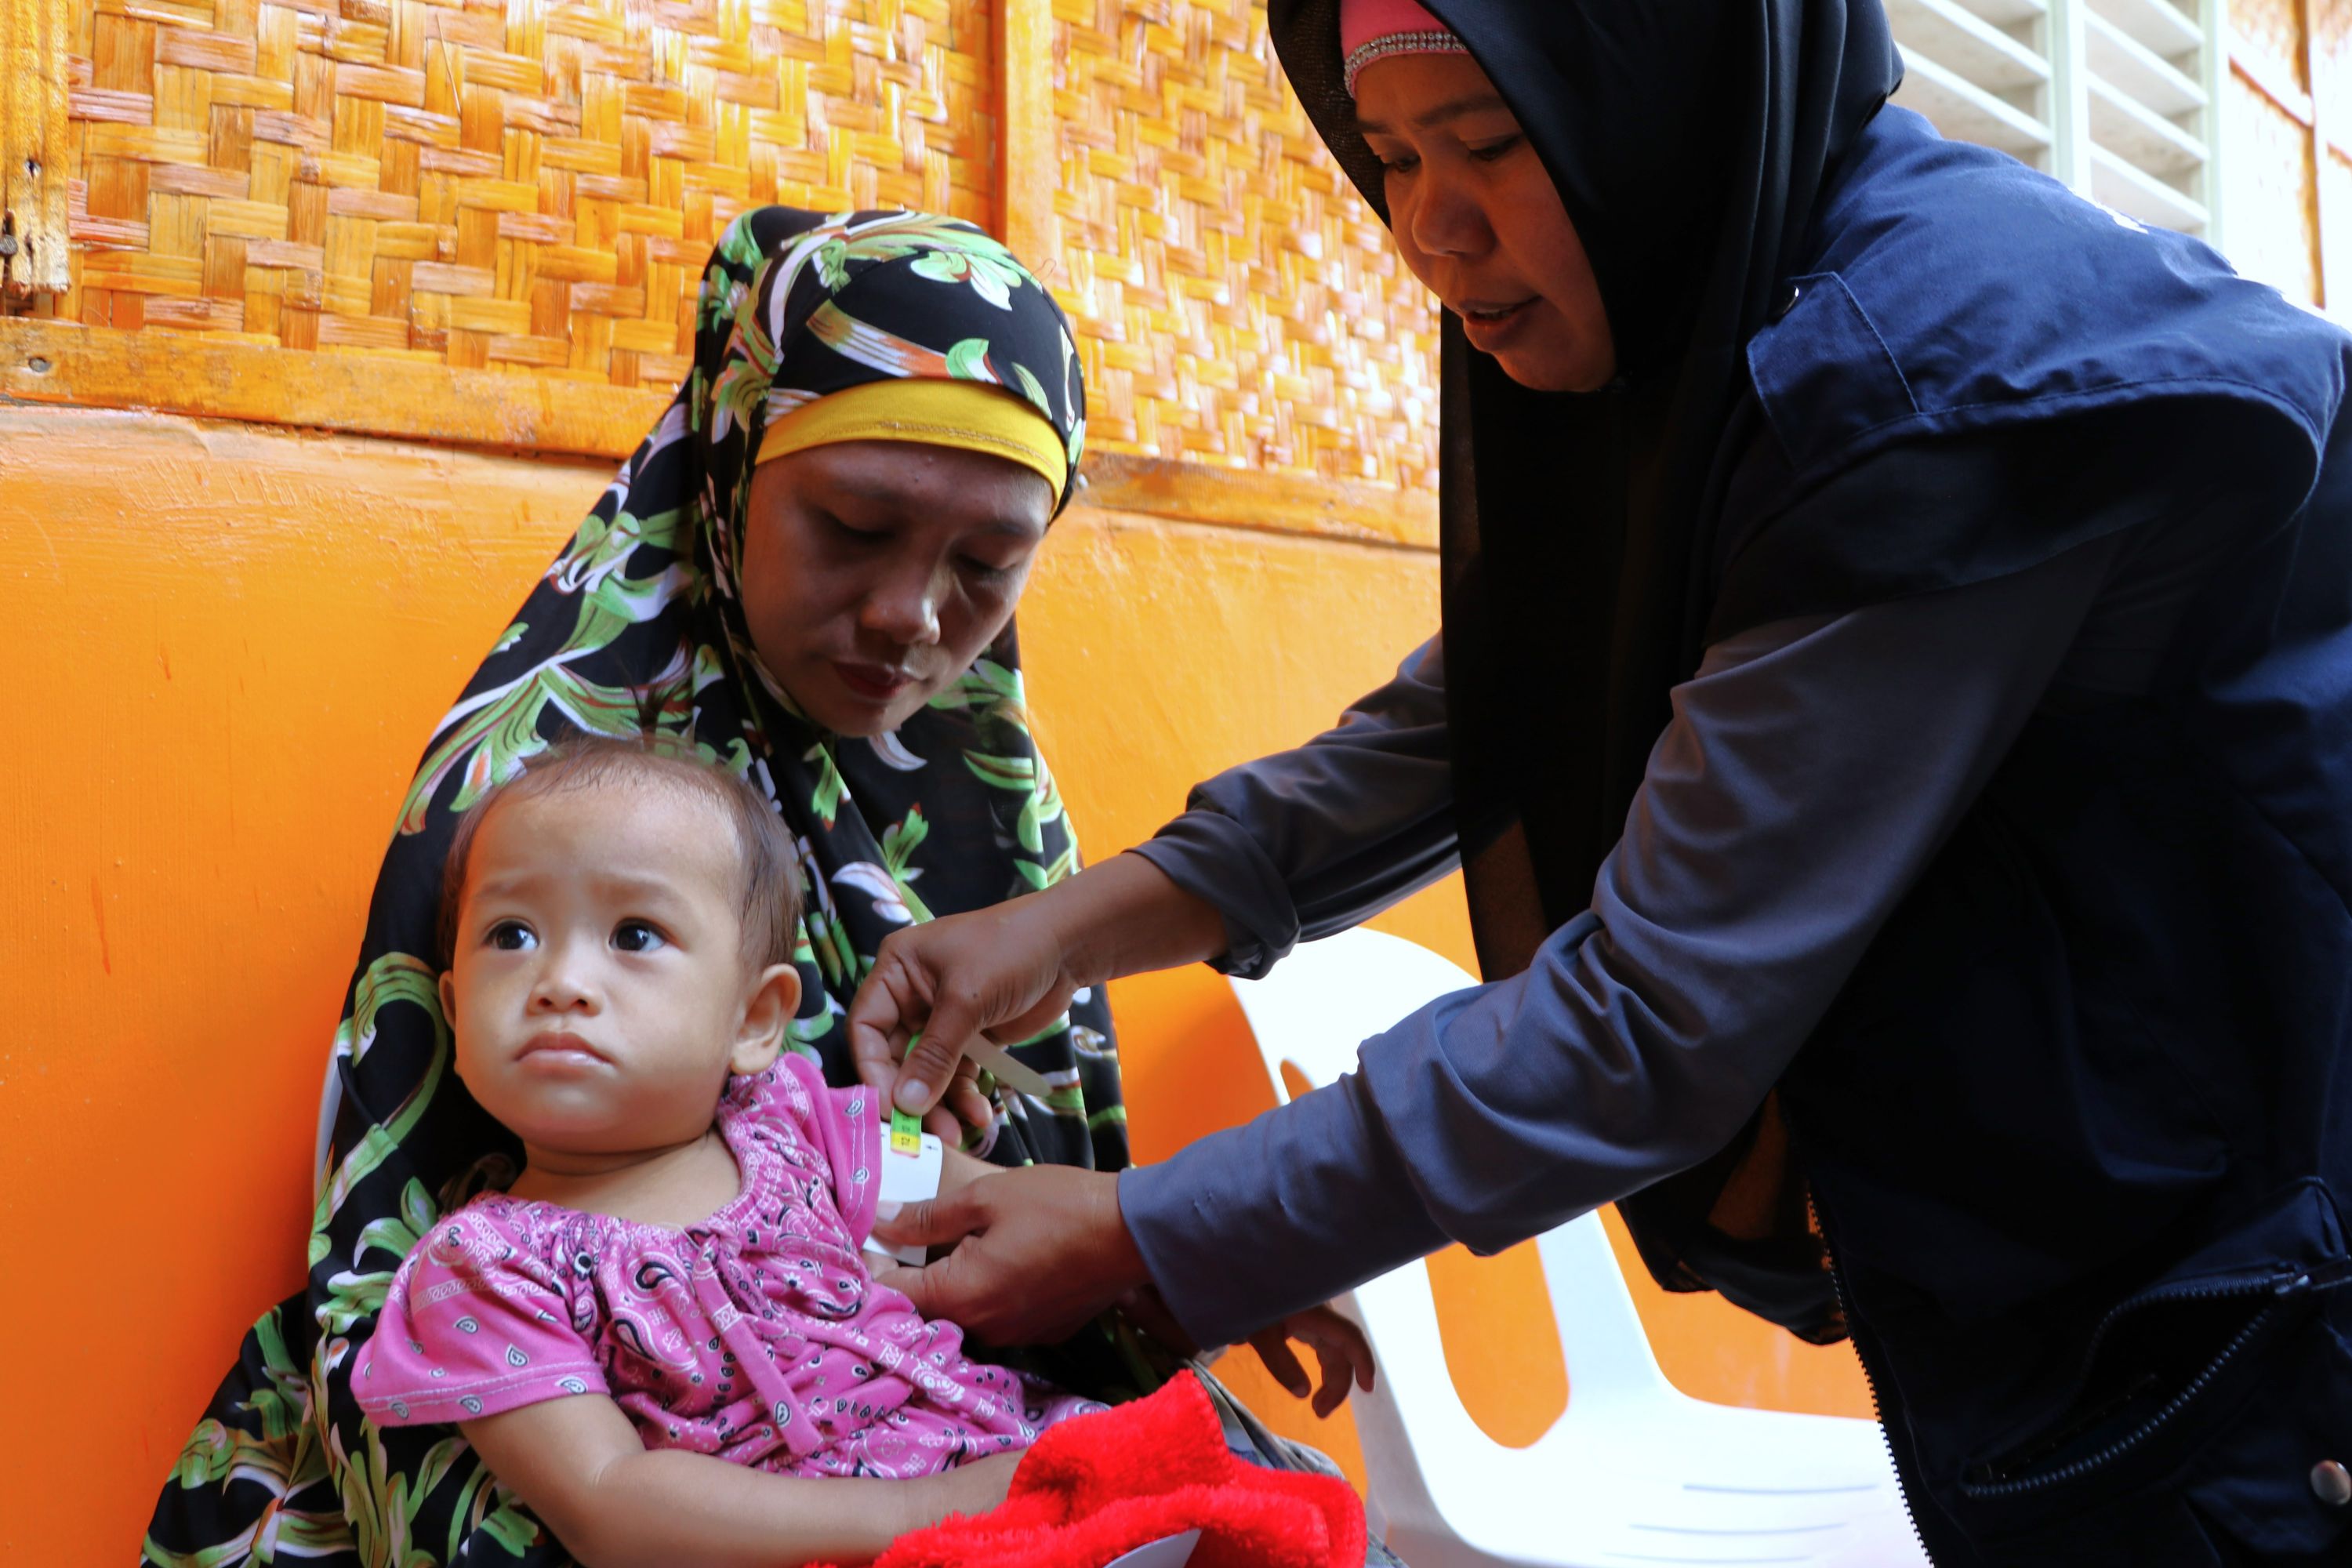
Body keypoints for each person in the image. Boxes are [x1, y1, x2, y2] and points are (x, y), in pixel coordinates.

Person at [848, 4, 2352, 1565]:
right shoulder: (1719, 331)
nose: (1430, 227)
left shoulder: (1923, 393)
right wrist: (1076, 927)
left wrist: (1144, 1230)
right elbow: (1512, 706)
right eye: (1391, 157)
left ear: (1666, 114)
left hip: (2245, 1275)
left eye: (1496, 145)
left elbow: (1654, 1014)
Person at [146, 207, 1374, 1567]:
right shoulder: (544, 792)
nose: (916, 615)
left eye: (988, 565)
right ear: (733, 469)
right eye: (855, 525)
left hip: (972, 1433)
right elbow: (441, 1297)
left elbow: (949, 1193)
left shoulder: (983, 796)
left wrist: (1188, 1248)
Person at [354, 738, 1110, 1565]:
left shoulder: (796, 1124)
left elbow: (999, 1208)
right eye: (511, 933)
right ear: (456, 1015)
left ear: (754, 1019)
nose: (560, 979)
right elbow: (609, 1504)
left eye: (635, 934)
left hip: (1037, 1455)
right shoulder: (483, 1268)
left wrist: (1155, 1254)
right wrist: (924, 1509)